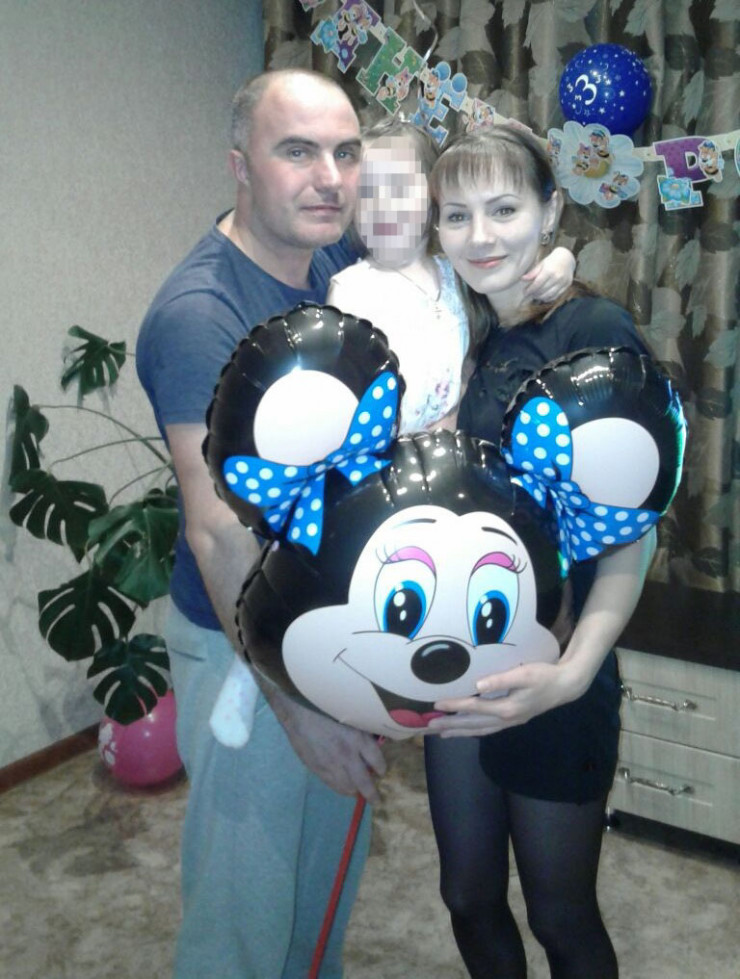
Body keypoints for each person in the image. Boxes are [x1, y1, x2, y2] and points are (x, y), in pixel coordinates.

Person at [135, 68, 387, 979]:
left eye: (346, 153)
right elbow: (216, 531)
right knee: (242, 922)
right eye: (298, 152)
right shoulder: (201, 317)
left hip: (330, 625)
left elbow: (458, 228)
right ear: (240, 165)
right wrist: (293, 704)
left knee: (317, 907)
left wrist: (543, 270)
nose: (331, 178)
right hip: (245, 650)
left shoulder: (327, 263)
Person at [422, 126, 657, 979]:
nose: (480, 235)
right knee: (467, 894)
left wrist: (571, 674)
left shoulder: (593, 330)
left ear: (550, 210)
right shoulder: (471, 338)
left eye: (504, 209)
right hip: (463, 663)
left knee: (560, 914)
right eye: (456, 215)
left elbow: (632, 533)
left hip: (560, 676)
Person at [327, 117, 576, 435]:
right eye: (366, 191)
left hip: (465, 443)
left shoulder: (458, 269)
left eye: (399, 187)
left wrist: (562, 259)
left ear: (436, 201)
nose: (382, 204)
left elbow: (514, 294)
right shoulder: (351, 290)